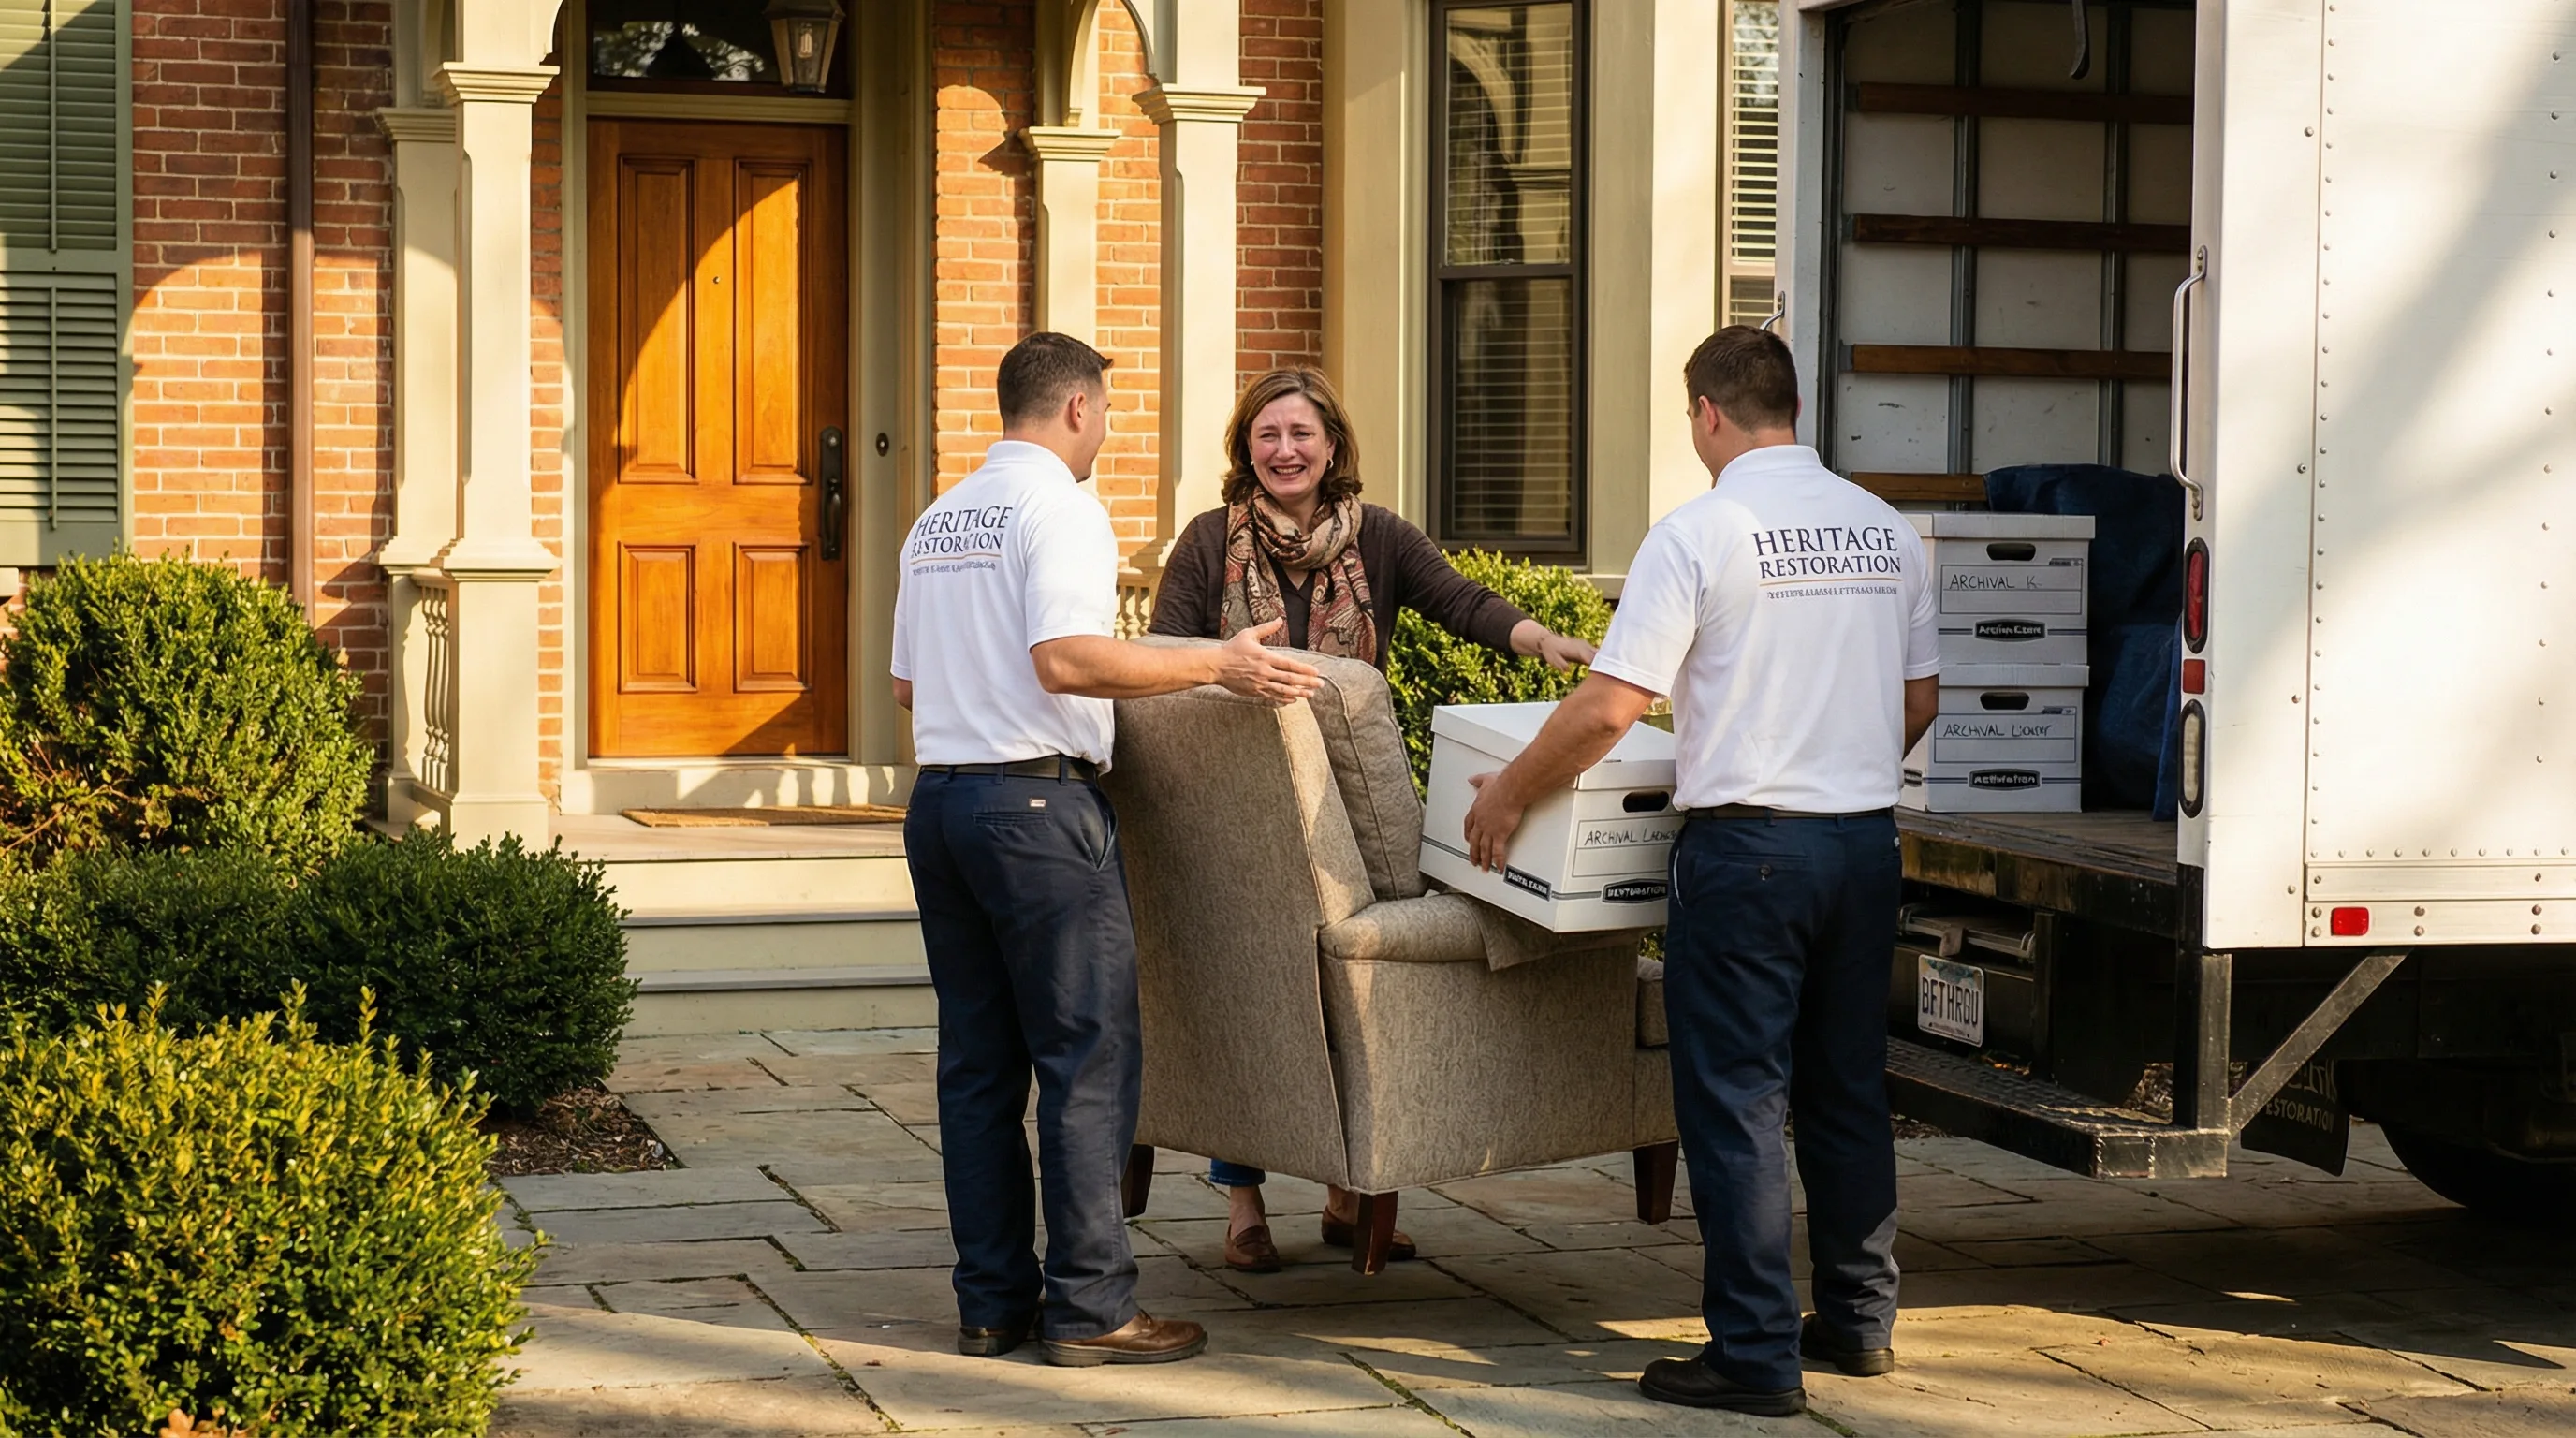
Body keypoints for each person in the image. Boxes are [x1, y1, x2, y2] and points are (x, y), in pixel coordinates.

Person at [1459, 327, 1939, 1415]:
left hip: (1750, 853)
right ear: (1795, 410)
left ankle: (1756, 1354)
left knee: (1734, 1102)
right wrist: (1838, 763)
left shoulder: (1700, 531)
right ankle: (1859, 1325)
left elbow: (1610, 705)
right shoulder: (1884, 532)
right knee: (1846, 1092)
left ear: (1707, 414)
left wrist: (1510, 791)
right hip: (1862, 844)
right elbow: (1919, 704)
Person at [892, 332, 1325, 1367]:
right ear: (1078, 409)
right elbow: (1067, 656)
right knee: (1087, 1063)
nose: (1108, 434)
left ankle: (993, 1305)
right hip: (1039, 816)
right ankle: (1091, 1310)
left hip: (942, 806)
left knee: (977, 1070)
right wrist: (1212, 666)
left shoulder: (938, 518)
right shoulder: (1063, 510)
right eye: (1109, 415)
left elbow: (908, 686)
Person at [1147, 365, 1598, 1273]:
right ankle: (1242, 1199)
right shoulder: (1206, 544)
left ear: (1332, 446)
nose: (1284, 450)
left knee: (1346, 994)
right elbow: (1164, 656)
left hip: (1342, 811)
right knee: (1250, 994)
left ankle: (1349, 1195)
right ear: (1245, 449)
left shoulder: (1379, 539)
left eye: (1301, 434)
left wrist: (1537, 637)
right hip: (1235, 813)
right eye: (1267, 435)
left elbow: (1459, 601)